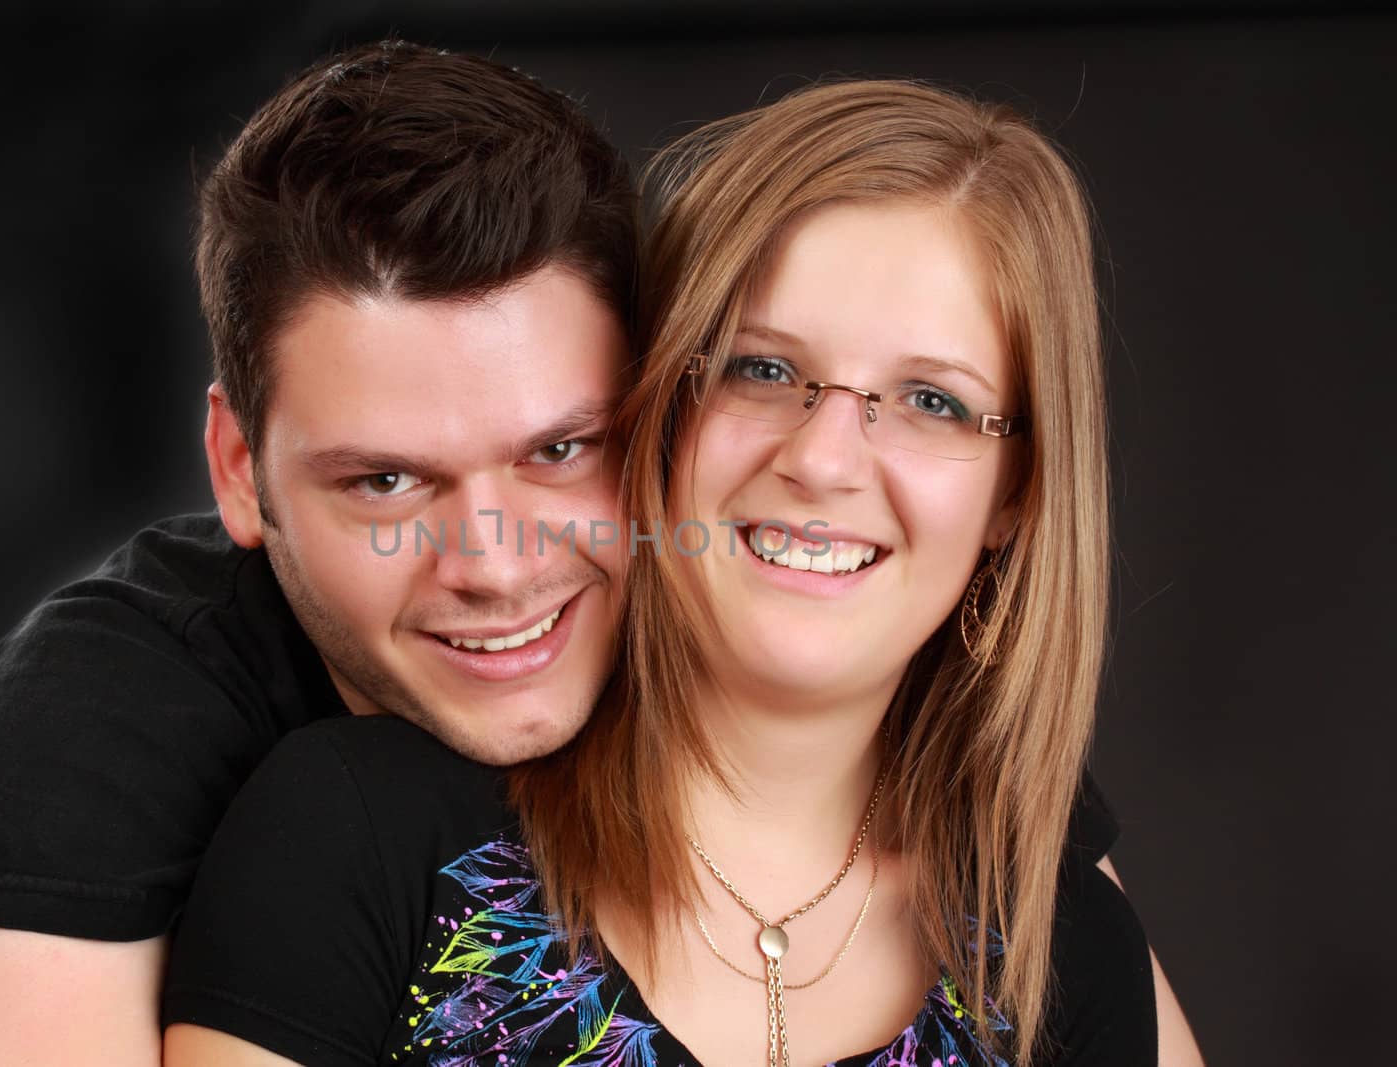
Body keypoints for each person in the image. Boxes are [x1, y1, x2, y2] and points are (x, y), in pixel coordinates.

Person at [160, 79, 1203, 1065]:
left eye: (931, 399)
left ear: (1016, 492)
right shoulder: (357, 837)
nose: (823, 458)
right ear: (659, 405)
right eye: (763, 369)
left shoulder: (1064, 949)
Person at [0, 40, 637, 1066]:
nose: (495, 567)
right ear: (239, 467)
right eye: (385, 481)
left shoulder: (784, 614)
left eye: (560, 451)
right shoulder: (116, 696)